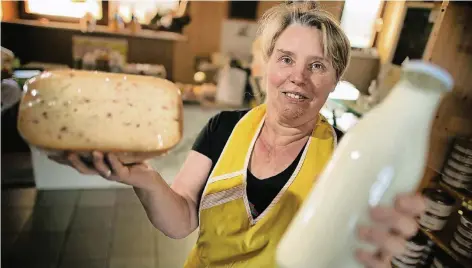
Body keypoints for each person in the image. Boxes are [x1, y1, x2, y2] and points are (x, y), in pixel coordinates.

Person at [51, 2, 426, 267]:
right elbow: (181, 218)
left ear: (335, 80)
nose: (298, 76)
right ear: (266, 65)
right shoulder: (223, 127)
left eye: (317, 65)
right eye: (286, 59)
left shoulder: (347, 157)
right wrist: (144, 178)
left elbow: (346, 249)